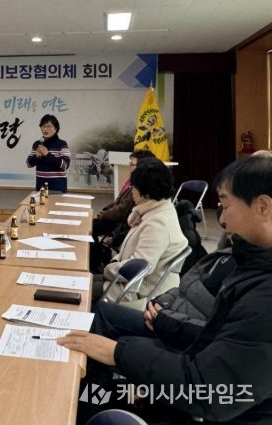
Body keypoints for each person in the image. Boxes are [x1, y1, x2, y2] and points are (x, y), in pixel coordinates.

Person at [59, 155, 272, 424]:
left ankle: (85, 409)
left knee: (106, 388)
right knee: (99, 369)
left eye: (226, 205)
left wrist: (117, 352)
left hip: (202, 398)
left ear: (262, 207)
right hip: (189, 364)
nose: (222, 219)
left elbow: (211, 392)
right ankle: (85, 404)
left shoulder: (262, 291)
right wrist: (164, 321)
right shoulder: (245, 261)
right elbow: (214, 334)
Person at [97, 158, 188, 309]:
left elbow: (137, 268)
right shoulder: (153, 211)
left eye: (133, 186)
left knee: (80, 291)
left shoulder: (158, 223)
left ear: (145, 191)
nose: (131, 190)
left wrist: (108, 268)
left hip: (134, 293)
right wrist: (113, 265)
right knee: (84, 281)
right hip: (126, 282)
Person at [92, 150, 156, 238]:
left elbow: (123, 210)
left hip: (119, 223)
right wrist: (105, 210)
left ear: (142, 167)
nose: (129, 166)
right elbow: (118, 201)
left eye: (132, 164)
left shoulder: (139, 186)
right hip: (116, 219)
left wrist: (104, 215)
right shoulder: (131, 181)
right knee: (89, 225)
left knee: (89, 227)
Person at [26, 114, 70, 193]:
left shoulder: (62, 144)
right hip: (41, 188)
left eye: (49, 126)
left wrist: (47, 155)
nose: (45, 129)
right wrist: (36, 156)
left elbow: (65, 165)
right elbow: (29, 164)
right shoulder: (37, 144)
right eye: (43, 126)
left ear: (55, 129)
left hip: (58, 188)